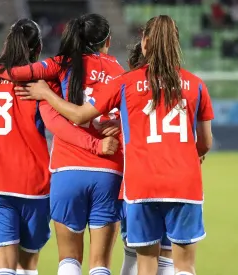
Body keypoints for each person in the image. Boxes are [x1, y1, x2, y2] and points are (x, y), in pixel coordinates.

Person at [14, 15, 214, 275]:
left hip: (135, 180)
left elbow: (78, 115)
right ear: (176, 43)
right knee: (182, 265)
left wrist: (44, 93)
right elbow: (205, 142)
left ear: (145, 43)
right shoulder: (195, 84)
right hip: (175, 180)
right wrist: (191, 155)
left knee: (140, 262)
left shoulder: (123, 81)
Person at [0, 19, 118, 275]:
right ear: (37, 50)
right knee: (28, 265)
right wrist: (96, 144)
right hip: (34, 186)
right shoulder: (40, 85)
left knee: (3, 267)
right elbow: (58, 125)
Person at [119, 42, 175, 275]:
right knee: (168, 254)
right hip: (173, 183)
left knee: (136, 255)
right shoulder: (174, 91)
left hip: (136, 187)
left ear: (132, 66)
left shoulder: (125, 90)